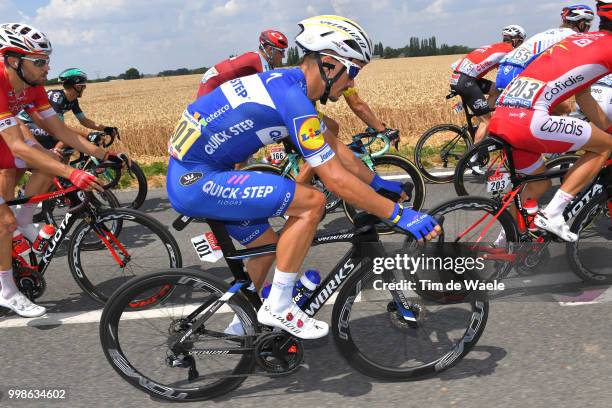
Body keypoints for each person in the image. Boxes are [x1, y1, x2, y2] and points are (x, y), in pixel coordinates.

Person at [166, 15, 441, 339]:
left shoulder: (290, 86)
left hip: (200, 173)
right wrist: (398, 215)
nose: (351, 83)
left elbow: (335, 148)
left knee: (267, 247)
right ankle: (279, 304)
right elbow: (335, 179)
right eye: (353, 72)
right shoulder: (292, 98)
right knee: (312, 202)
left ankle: (242, 325)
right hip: (197, 180)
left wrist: (376, 183)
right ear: (328, 65)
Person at [0, 23, 105, 317]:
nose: (47, 67)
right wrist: (71, 173)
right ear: (13, 61)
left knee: (46, 158)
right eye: (40, 61)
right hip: (6, 145)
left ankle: (24, 222)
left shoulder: (33, 88)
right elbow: (17, 146)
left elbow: (59, 129)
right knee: (2, 223)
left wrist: (102, 153)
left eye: (47, 60)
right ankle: (8, 292)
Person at [489, 1, 612, 242]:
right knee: (605, 146)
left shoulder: (577, 40)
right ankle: (554, 214)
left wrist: (606, 128)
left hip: (502, 115)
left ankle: (503, 244)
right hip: (530, 120)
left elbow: (583, 94)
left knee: (538, 185)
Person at [197, 29, 288, 169]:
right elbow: (274, 92)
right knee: (242, 135)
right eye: (281, 52)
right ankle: (238, 172)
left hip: (215, 91)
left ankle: (242, 165)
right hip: (209, 93)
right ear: (270, 49)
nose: (283, 56)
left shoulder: (259, 60)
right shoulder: (259, 60)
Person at [450, 25, 526, 146]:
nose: (521, 44)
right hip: (466, 81)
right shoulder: (510, 51)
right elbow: (512, 73)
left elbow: (458, 62)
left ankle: (482, 119)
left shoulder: (494, 47)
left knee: (496, 91)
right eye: (521, 41)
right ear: (516, 40)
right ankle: (473, 158)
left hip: (461, 78)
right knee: (487, 121)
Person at [496, 4, 594, 94]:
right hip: (520, 73)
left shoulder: (551, 32)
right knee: (565, 110)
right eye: (588, 26)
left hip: (503, 70)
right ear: (581, 24)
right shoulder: (573, 36)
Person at [18, 67, 119, 150]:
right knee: (64, 140)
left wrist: (106, 128)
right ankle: (55, 159)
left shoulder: (73, 100)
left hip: (40, 124)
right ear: (77, 87)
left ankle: (62, 174)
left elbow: (84, 120)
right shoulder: (57, 98)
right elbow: (59, 127)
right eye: (83, 86)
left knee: (69, 145)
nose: (84, 88)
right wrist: (88, 134)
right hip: (27, 123)